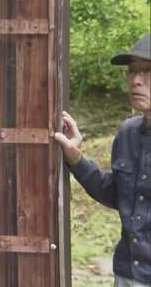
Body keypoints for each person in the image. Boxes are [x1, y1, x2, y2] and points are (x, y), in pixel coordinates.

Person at [54, 34, 151, 287]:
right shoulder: (128, 133)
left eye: (147, 72)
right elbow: (117, 194)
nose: (136, 81)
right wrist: (76, 158)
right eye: (131, 72)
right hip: (128, 276)